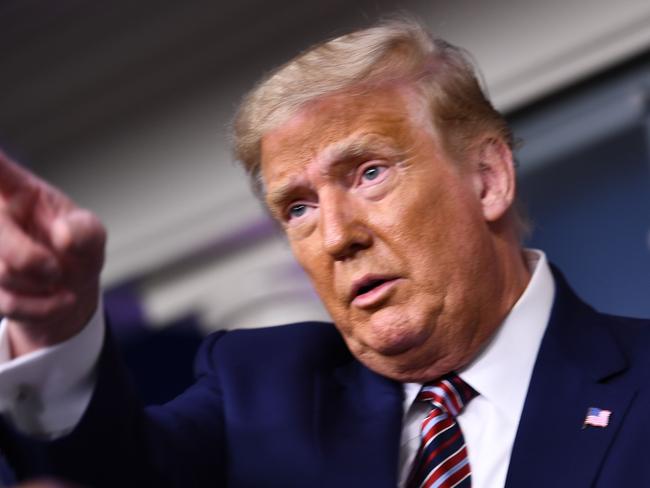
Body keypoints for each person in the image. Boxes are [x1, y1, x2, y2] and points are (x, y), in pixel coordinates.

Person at [1, 18, 649, 488]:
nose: (337, 236)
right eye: (299, 208)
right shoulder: (263, 392)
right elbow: (103, 473)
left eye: (368, 173)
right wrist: (57, 326)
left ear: (486, 179)